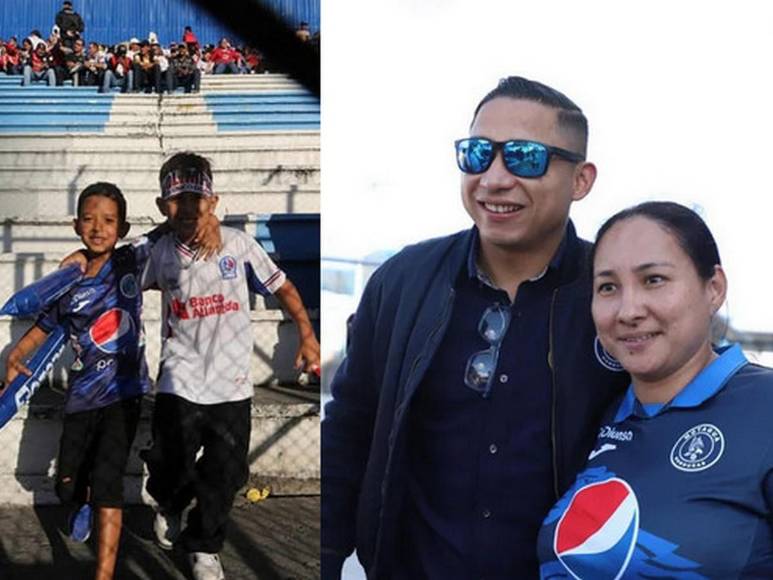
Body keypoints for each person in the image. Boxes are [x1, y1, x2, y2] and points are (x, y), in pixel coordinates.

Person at [321, 76, 630, 579]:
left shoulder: (616, 298)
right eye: (478, 154)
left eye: (525, 157)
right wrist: (327, 557)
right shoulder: (402, 283)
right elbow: (350, 428)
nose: (494, 178)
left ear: (581, 180)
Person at [537, 202, 773, 577]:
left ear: (714, 288)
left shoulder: (764, 408)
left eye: (654, 280)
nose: (629, 310)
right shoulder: (595, 413)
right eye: (608, 287)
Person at [141, 152, 321, 580]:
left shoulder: (238, 245)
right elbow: (118, 268)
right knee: (171, 462)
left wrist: (308, 334)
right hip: (179, 378)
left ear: (214, 201)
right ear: (162, 207)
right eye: (176, 201)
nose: (187, 209)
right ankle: (169, 501)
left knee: (228, 472)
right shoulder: (159, 252)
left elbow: (284, 286)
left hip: (232, 384)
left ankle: (204, 546)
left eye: (196, 200)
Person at [4, 183, 157, 580]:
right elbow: (43, 327)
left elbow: (168, 230)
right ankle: (81, 499)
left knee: (109, 484)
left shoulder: (130, 260)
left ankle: (103, 573)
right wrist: (17, 355)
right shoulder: (67, 281)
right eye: (89, 219)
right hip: (82, 397)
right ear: (75, 225)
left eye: (108, 221)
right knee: (67, 486)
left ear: (122, 228)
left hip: (125, 394)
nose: (98, 227)